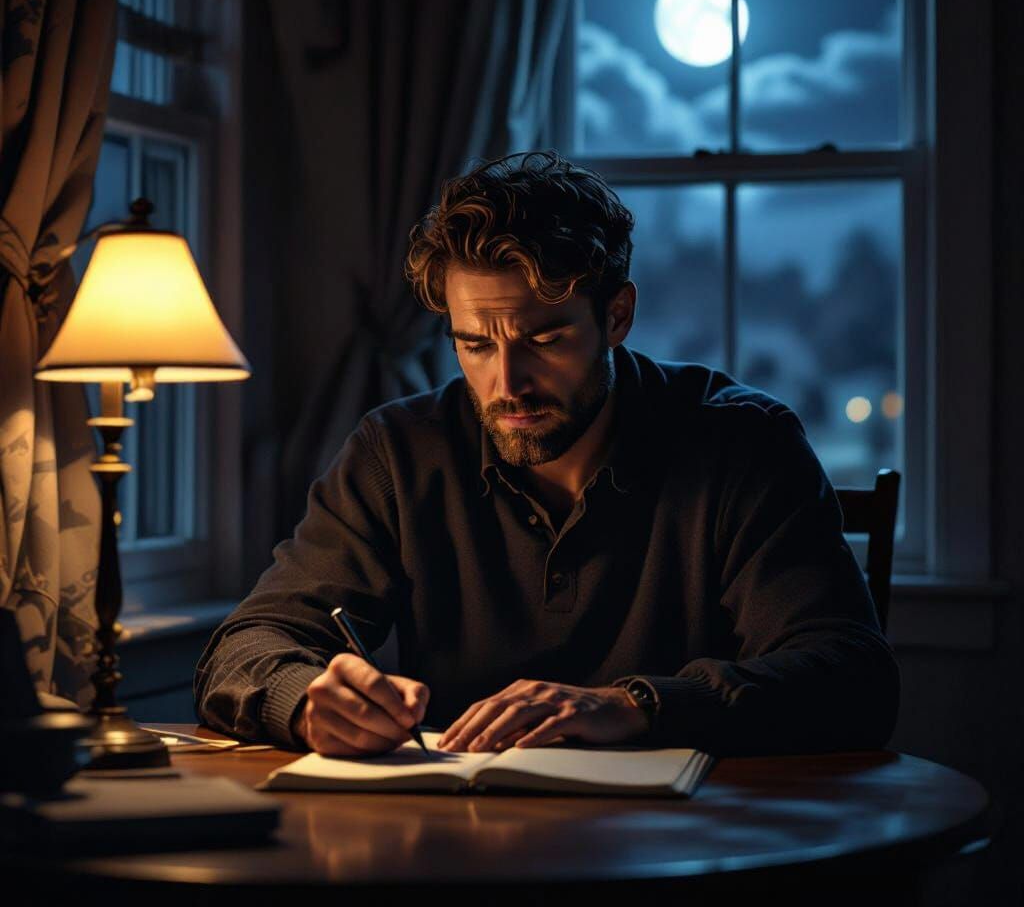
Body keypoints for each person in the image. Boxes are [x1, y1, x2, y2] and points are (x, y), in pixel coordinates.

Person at [194, 150, 900, 759]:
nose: (507, 383)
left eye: (544, 340)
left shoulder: (743, 444)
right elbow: (245, 647)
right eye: (475, 344)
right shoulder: (399, 451)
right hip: (459, 847)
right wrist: (305, 697)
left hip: (691, 856)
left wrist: (635, 706)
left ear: (616, 316)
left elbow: (851, 678)